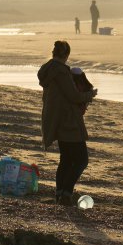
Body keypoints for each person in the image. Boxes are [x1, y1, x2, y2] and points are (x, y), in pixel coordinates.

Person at [38, 40, 98, 205]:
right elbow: (73, 96)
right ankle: (66, 193)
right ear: (66, 55)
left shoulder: (48, 69)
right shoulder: (61, 72)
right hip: (68, 121)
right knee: (81, 160)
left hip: (57, 119)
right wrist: (90, 95)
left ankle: (60, 193)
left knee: (66, 159)